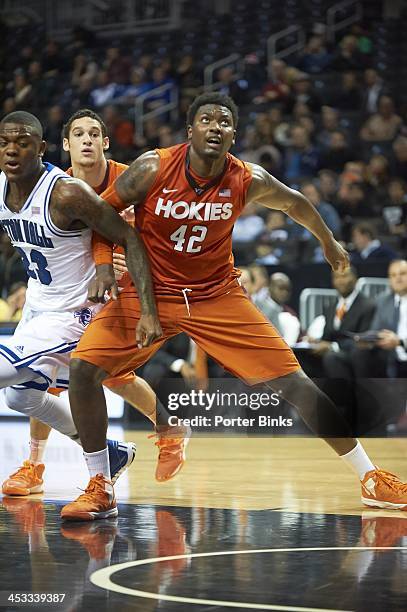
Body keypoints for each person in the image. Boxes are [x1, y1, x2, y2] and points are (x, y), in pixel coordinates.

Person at [64, 92, 407, 521]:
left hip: (216, 296)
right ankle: (100, 484)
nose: (215, 127)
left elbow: (296, 202)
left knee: (296, 383)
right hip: (151, 292)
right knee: (83, 369)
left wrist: (329, 241)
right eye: (205, 120)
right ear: (190, 132)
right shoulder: (152, 167)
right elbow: (102, 216)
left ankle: (371, 477)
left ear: (233, 133)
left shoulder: (247, 178)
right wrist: (102, 269)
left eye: (224, 122)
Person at [1, 109, 188, 498]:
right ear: (65, 145)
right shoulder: (33, 182)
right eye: (78, 134)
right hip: (45, 293)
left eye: (94, 134)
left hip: (100, 295)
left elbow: (144, 233)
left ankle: (166, 430)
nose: (86, 140)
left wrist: (118, 265)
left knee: (107, 376)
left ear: (105, 142)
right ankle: (38, 463)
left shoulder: (125, 179)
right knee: (28, 389)